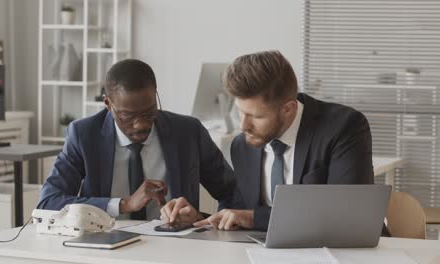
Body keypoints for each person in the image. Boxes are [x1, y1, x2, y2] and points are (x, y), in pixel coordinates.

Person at [162, 50, 375, 231]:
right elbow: (239, 213)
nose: (244, 126)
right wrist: (199, 219)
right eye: (240, 113)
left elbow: (347, 215)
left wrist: (254, 218)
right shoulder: (242, 146)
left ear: (288, 109)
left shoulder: (343, 127)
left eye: (256, 116)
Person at [37, 59, 235, 221]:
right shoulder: (84, 135)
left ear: (156, 95)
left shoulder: (188, 132)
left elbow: (233, 193)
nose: (140, 125)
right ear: (107, 103)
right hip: (106, 247)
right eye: (127, 116)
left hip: (175, 249)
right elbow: (49, 201)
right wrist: (124, 204)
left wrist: (205, 220)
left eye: (149, 112)